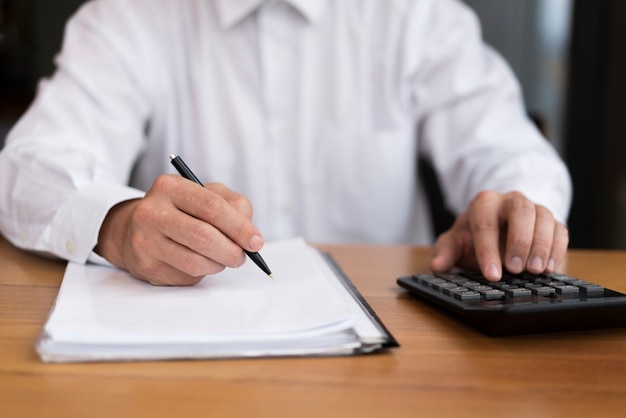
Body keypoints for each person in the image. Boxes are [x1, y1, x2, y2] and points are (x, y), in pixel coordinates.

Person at [0, 0, 571, 286]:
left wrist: (512, 211)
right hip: (190, 359)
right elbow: (30, 167)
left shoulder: (415, 15)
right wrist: (118, 224)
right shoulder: (131, 16)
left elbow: (509, 150)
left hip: (398, 348)